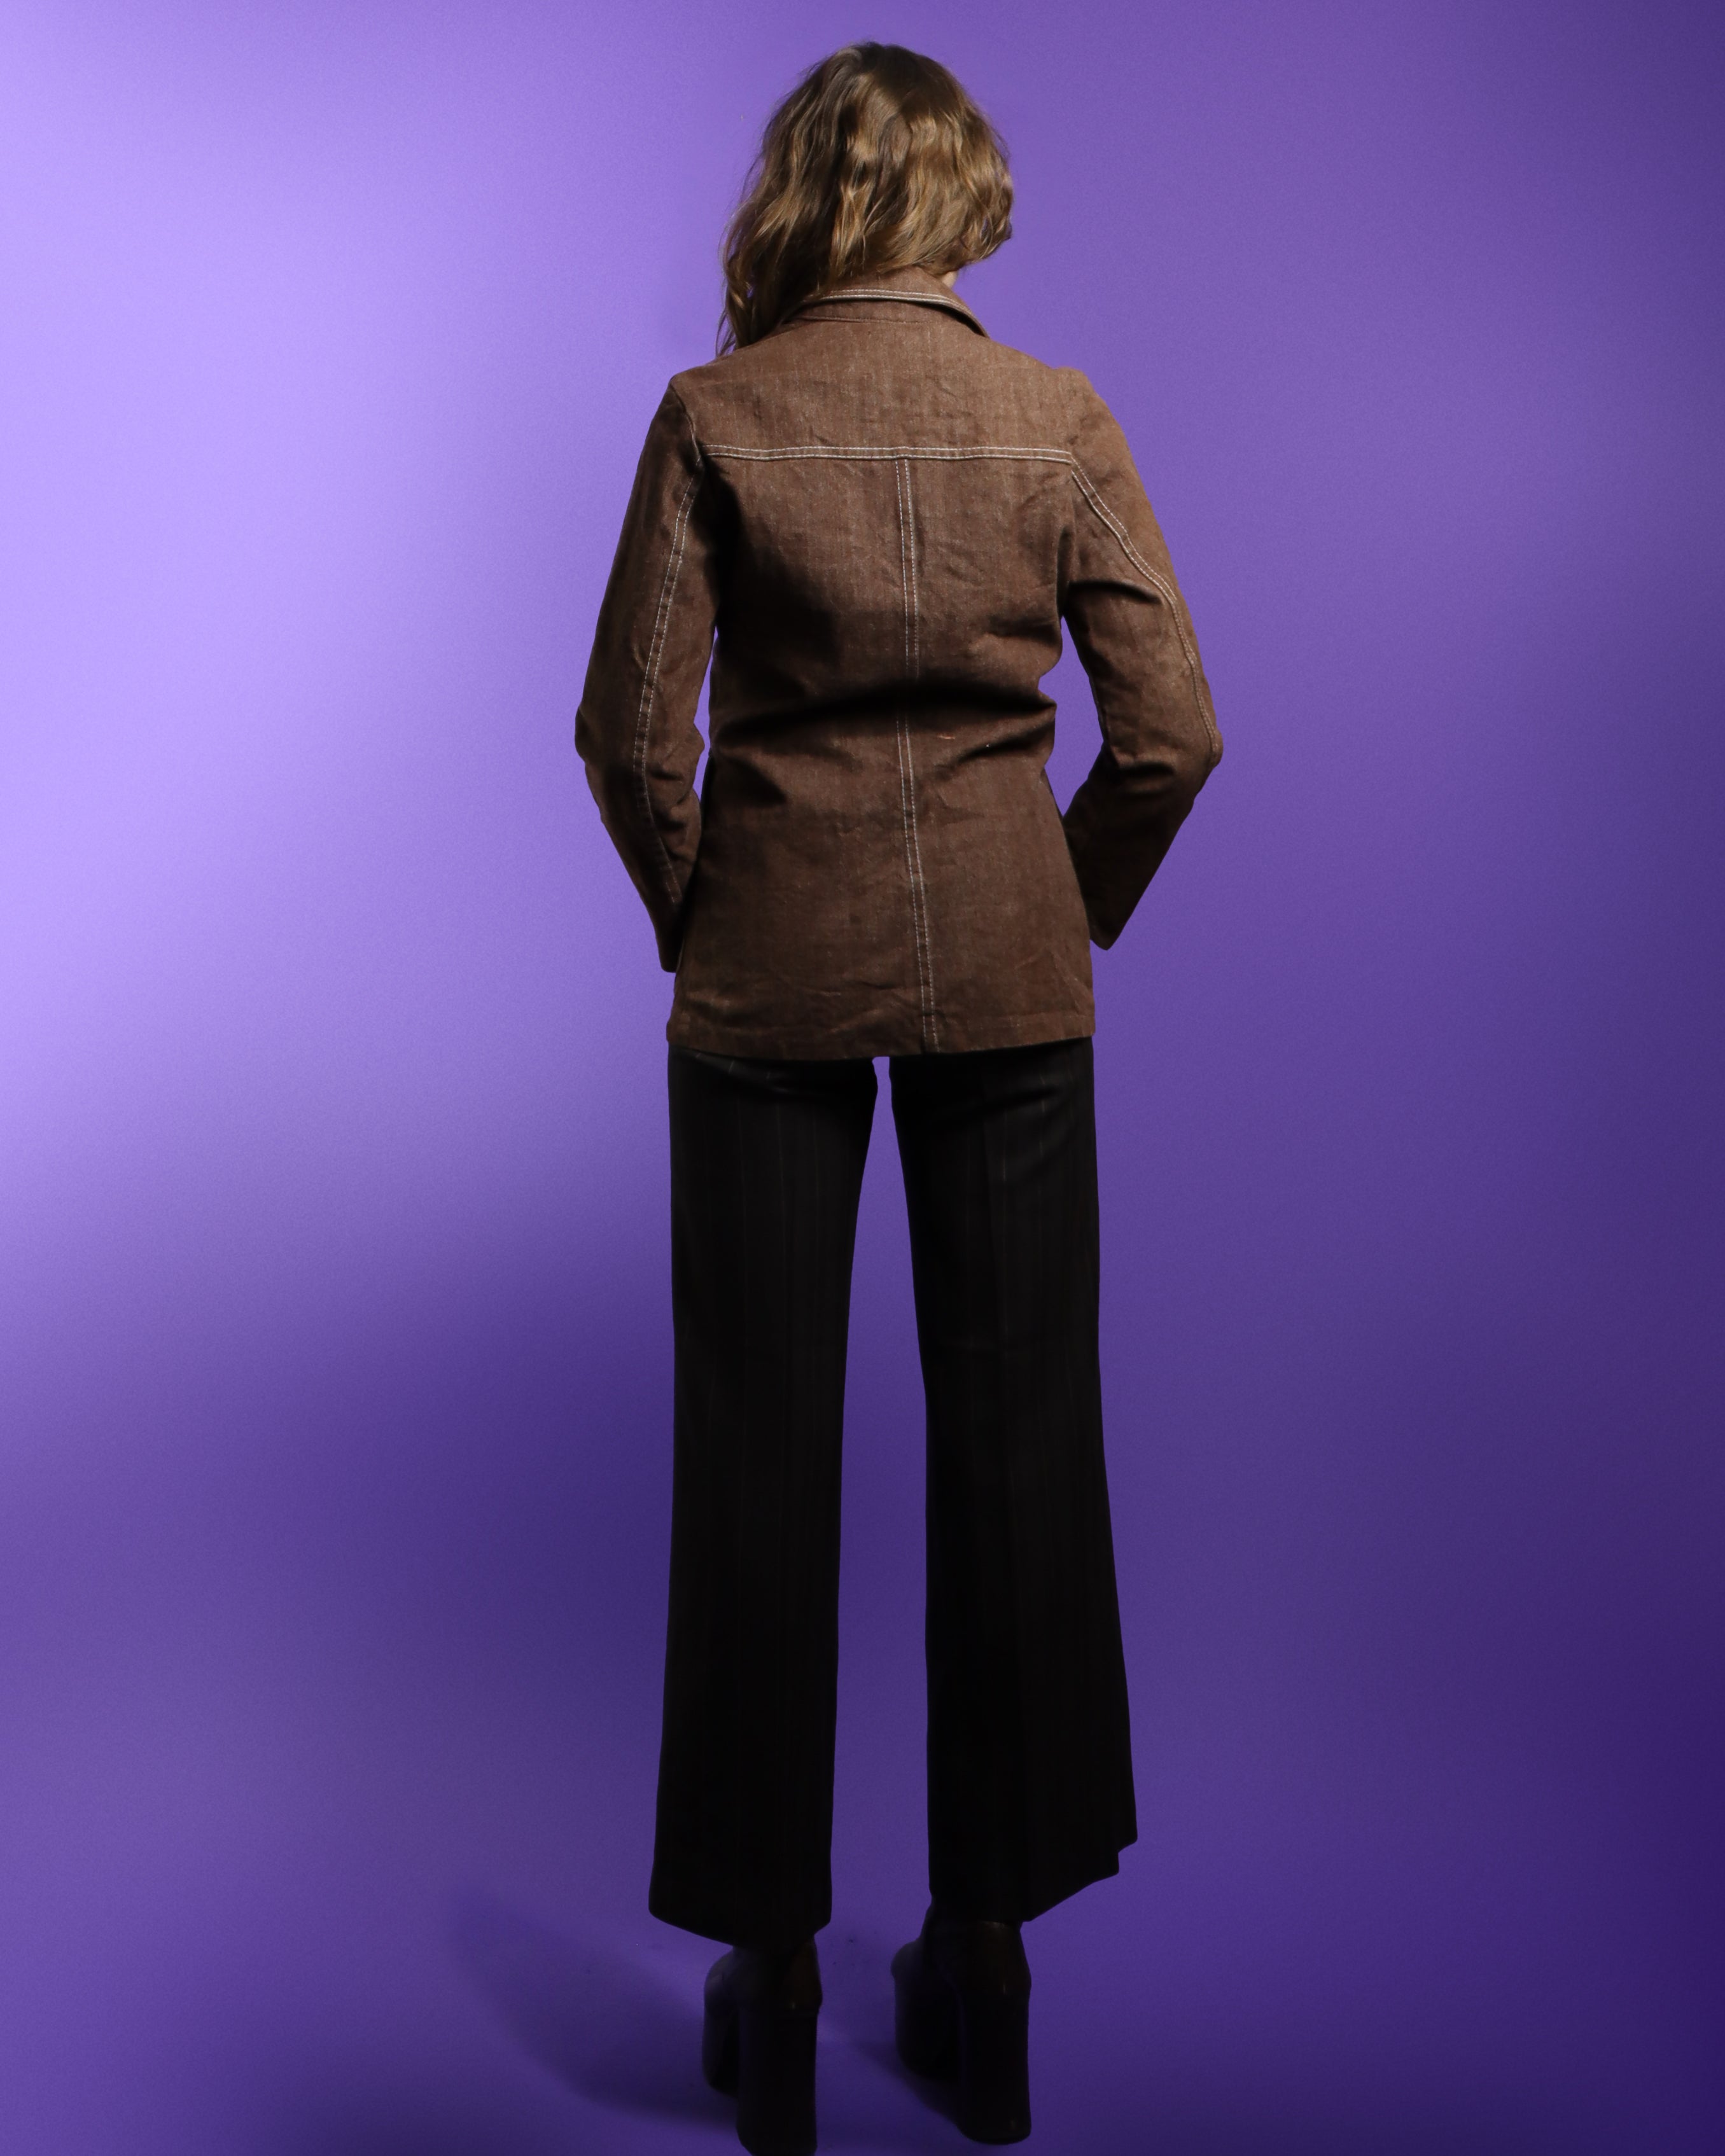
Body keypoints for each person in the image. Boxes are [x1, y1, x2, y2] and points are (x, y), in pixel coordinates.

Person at [575, 41, 1220, 2155]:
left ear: (802, 196)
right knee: (1022, 1454)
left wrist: (715, 914)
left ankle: (769, 1982)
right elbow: (1173, 734)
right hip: (1014, 983)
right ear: (962, 202)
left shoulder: (717, 413)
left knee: (756, 1457)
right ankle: (990, 1964)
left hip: (770, 973)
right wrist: (1056, 903)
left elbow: (626, 737)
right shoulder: (1059, 415)